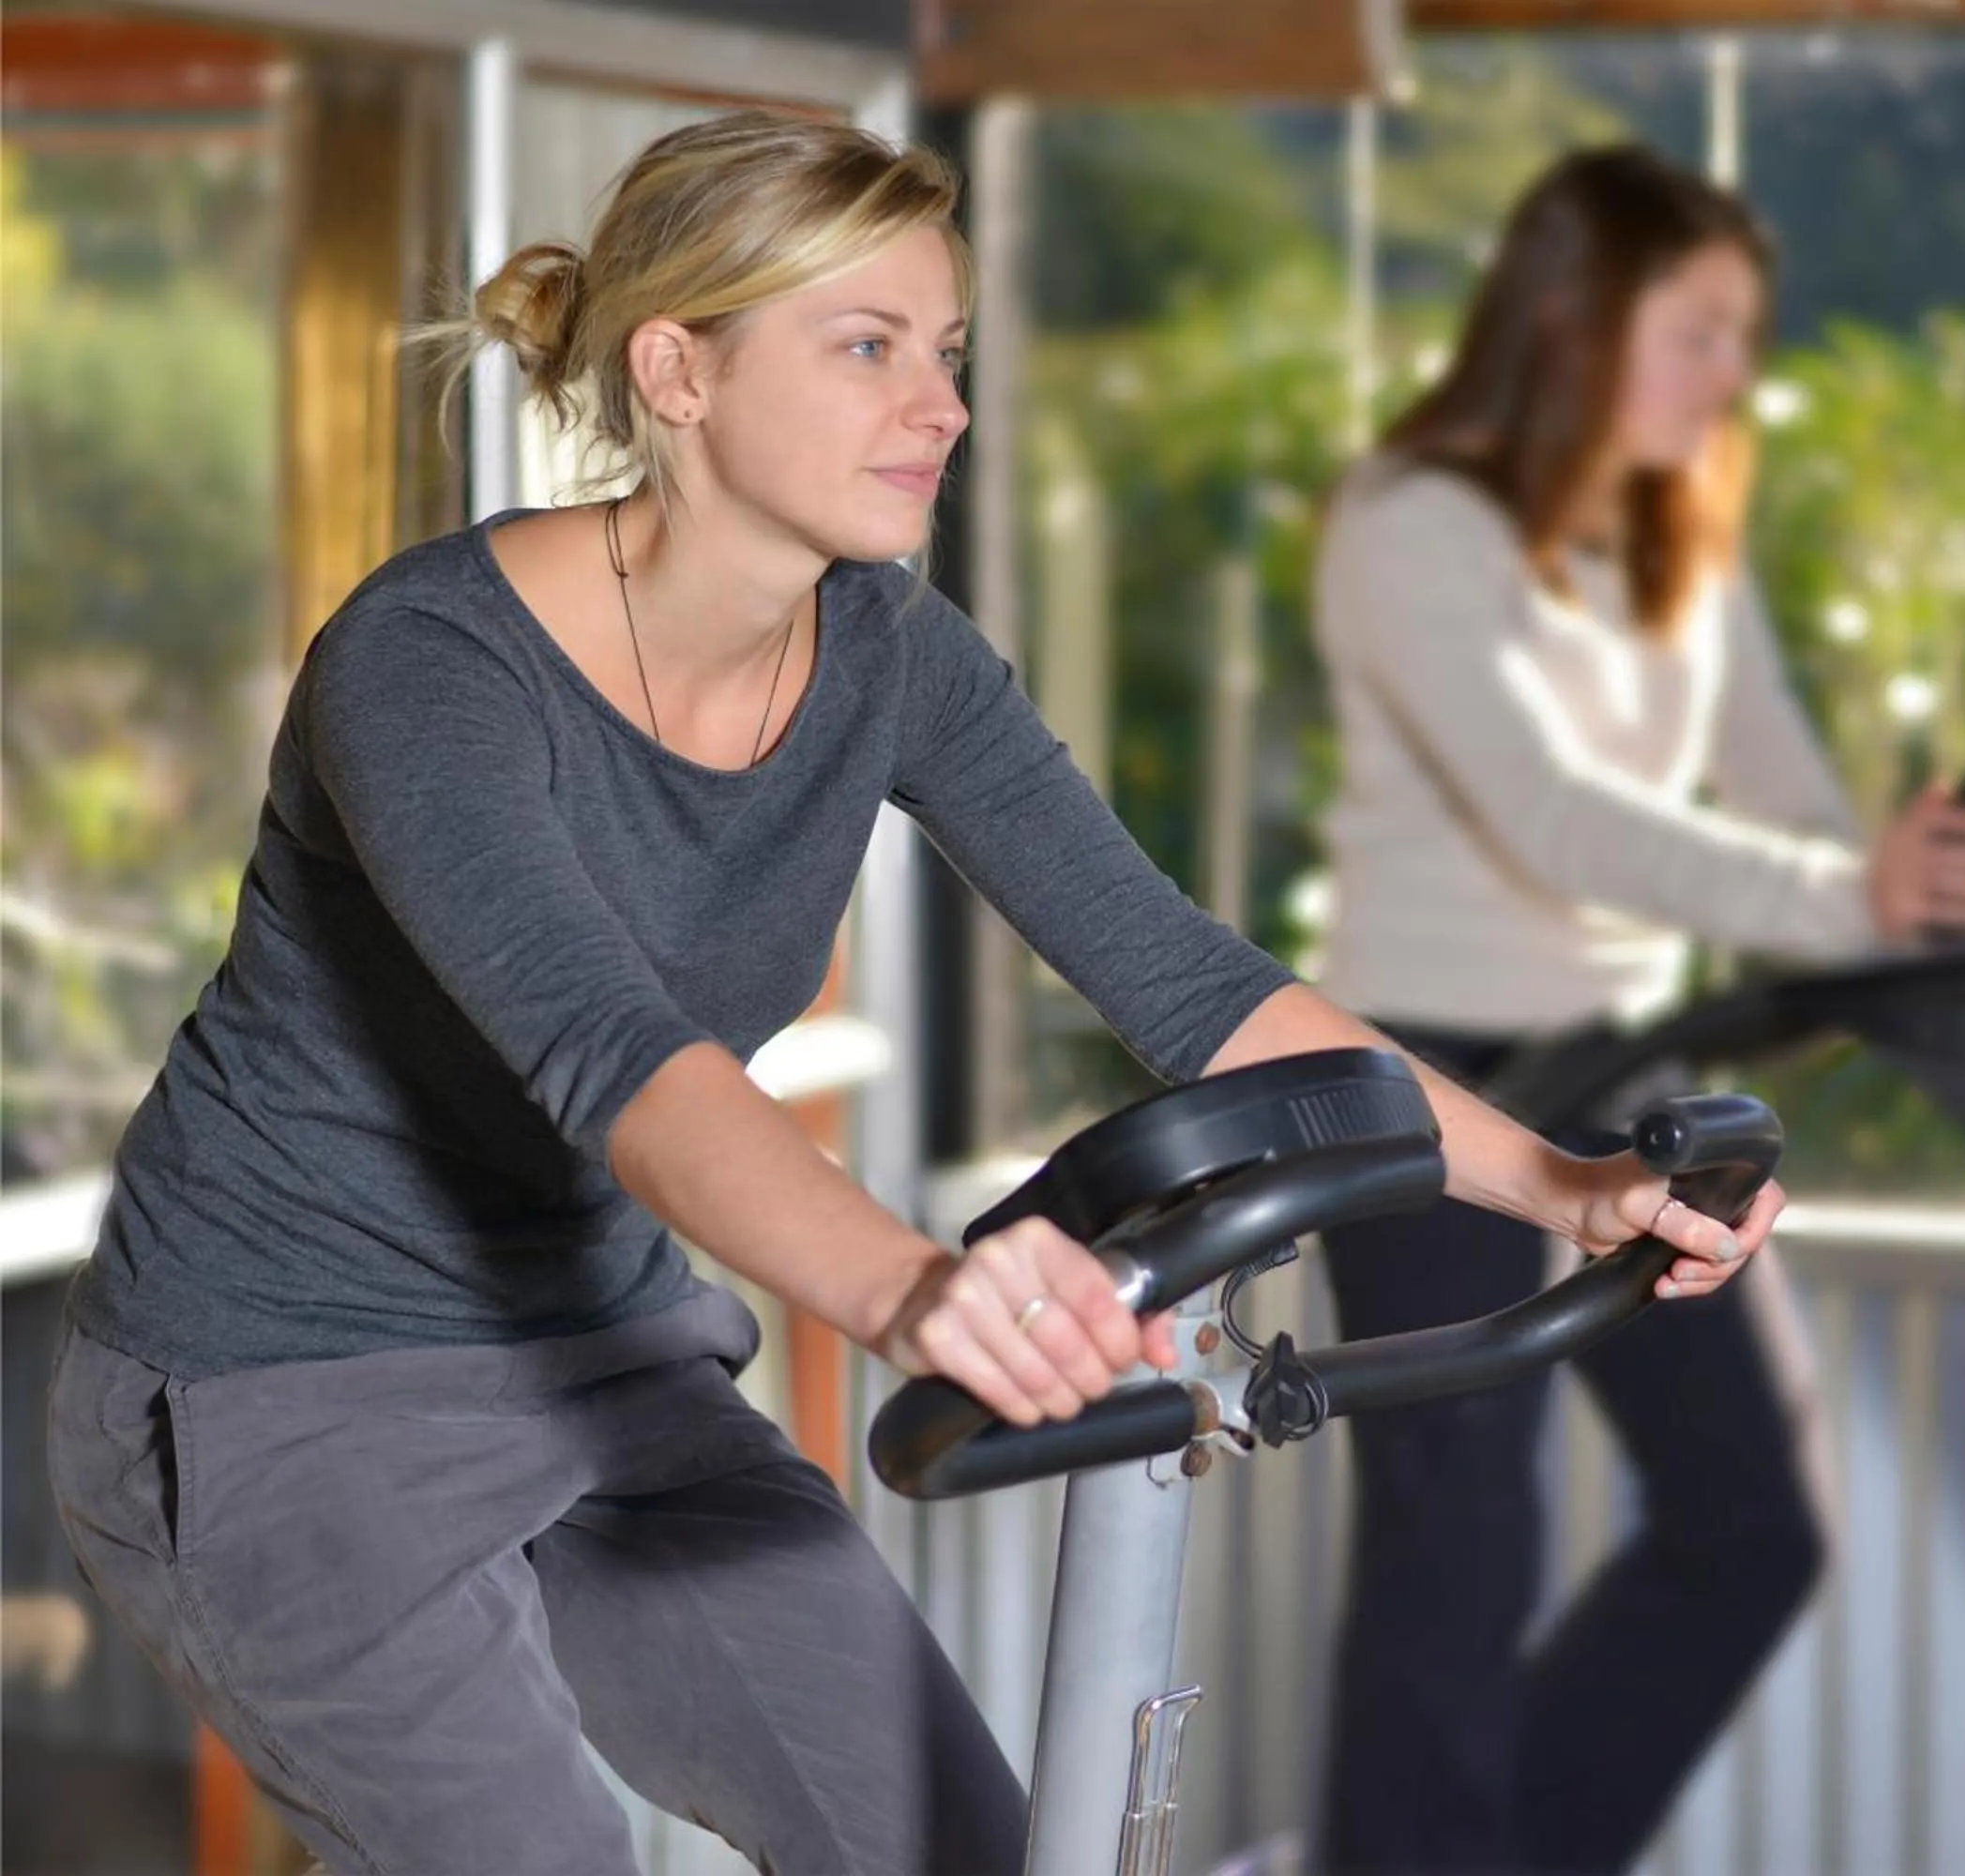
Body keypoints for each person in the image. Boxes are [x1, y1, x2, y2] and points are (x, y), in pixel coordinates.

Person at [43, 112, 1787, 1876]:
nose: (941, 405)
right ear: (679, 371)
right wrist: (919, 1288)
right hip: (281, 1385)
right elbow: (622, 1063)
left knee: (960, 1848)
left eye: (943, 352)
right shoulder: (428, 667)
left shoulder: (887, 649)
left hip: (596, 1349)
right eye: (867, 348)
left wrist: (1565, 1188)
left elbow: (1192, 982)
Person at [1307, 144, 1965, 1873]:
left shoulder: (1675, 524)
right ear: (1573, 315)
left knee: (1754, 1523)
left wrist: (1906, 894)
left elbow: (1772, 778)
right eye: (1699, 330)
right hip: (1432, 1086)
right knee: (1456, 1562)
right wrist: (1848, 900)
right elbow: (1555, 819)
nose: (1733, 376)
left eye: (1740, 337)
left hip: (1636, 1077)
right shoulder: (1410, 526)